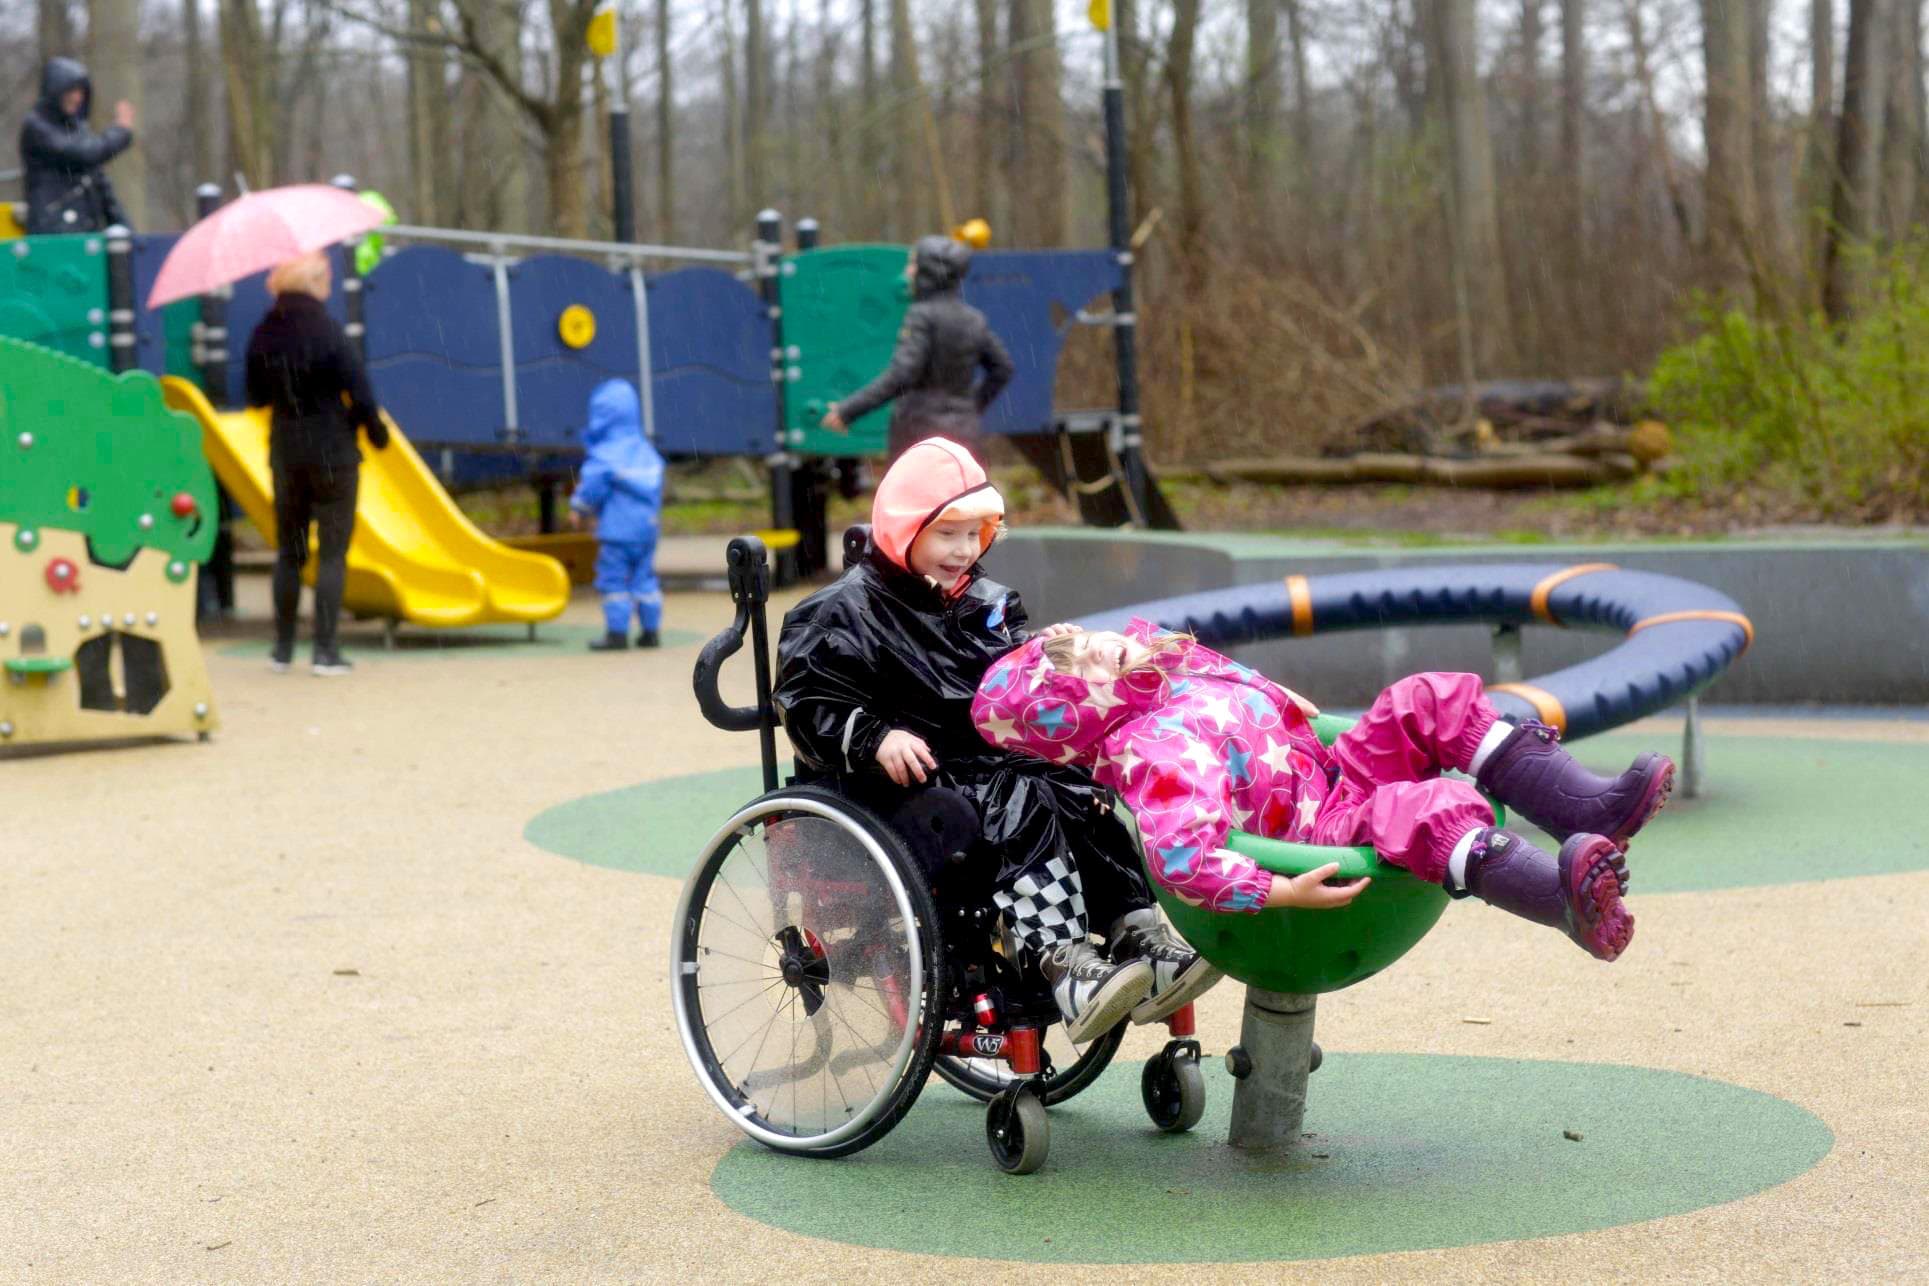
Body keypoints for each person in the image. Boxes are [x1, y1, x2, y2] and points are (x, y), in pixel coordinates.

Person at [772, 438, 1220, 1041]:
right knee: (1020, 795)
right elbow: (806, 703)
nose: (962, 551)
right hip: (896, 785)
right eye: (946, 534)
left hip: (979, 763)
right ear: (904, 529)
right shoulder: (838, 613)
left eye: (975, 534)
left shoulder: (988, 604)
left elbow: (1010, 697)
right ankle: (1061, 958)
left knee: (1080, 786)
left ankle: (1137, 930)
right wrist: (875, 736)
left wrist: (1046, 658)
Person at [974, 620, 1679, 962]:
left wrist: (1270, 691)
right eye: (1079, 672)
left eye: (1085, 642)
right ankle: (1561, 903)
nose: (1098, 652)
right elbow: (1181, 858)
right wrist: (1278, 892)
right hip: (1311, 840)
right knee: (1425, 809)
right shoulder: (1155, 749)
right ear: (1080, 715)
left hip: (1329, 774)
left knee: (1424, 697)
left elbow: (1203, 662)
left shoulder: (1163, 668)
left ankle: (1587, 812)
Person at [244, 251, 388, 677]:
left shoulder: (263, 334)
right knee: (332, 554)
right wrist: (374, 433)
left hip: (286, 449)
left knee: (289, 552)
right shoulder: (329, 331)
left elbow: (254, 397)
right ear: (317, 284)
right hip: (332, 449)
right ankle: (325, 652)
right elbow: (360, 393)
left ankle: (282, 650)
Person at [818, 237, 1015, 462]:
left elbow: (902, 374)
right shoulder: (973, 319)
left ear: (927, 273)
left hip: (920, 435)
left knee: (915, 497)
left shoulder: (921, 316)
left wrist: (848, 410)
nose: (909, 271)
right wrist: (969, 407)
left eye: (914, 265)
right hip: (964, 437)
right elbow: (1003, 368)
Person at [568, 379, 664, 651]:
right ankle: (650, 631)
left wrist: (579, 508)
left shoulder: (606, 453)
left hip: (618, 530)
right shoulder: (645, 450)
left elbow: (592, 488)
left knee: (614, 579)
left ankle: (617, 633)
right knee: (645, 578)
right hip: (647, 529)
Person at [18, 57, 137, 235]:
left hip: (85, 232)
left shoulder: (76, 129)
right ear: (55, 90)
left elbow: (99, 181)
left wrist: (126, 229)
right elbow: (86, 153)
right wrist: (120, 131)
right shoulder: (37, 127)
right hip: (52, 230)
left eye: (81, 92)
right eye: (71, 91)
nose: (77, 98)